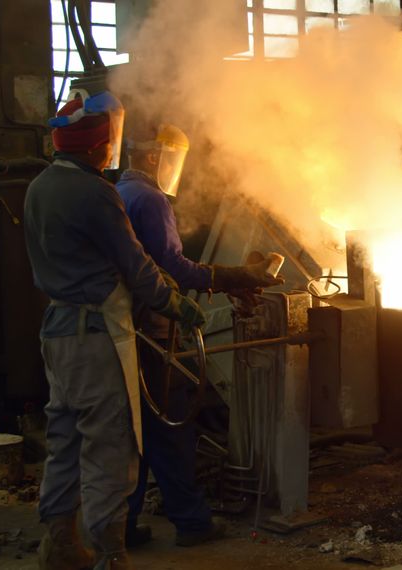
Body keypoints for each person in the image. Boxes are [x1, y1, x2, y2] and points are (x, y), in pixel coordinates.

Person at [24, 92, 206, 570]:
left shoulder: (39, 186)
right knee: (110, 445)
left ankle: (60, 544)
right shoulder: (95, 193)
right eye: (108, 144)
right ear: (94, 147)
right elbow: (137, 266)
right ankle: (110, 554)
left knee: (64, 439)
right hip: (95, 334)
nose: (111, 152)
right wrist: (175, 303)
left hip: (57, 331)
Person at [115, 122, 284, 548]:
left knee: (135, 430)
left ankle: (124, 524)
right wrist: (232, 276)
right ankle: (191, 523)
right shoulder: (150, 199)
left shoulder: (120, 193)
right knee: (169, 427)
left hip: (124, 328)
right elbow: (173, 266)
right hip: (152, 327)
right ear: (155, 157)